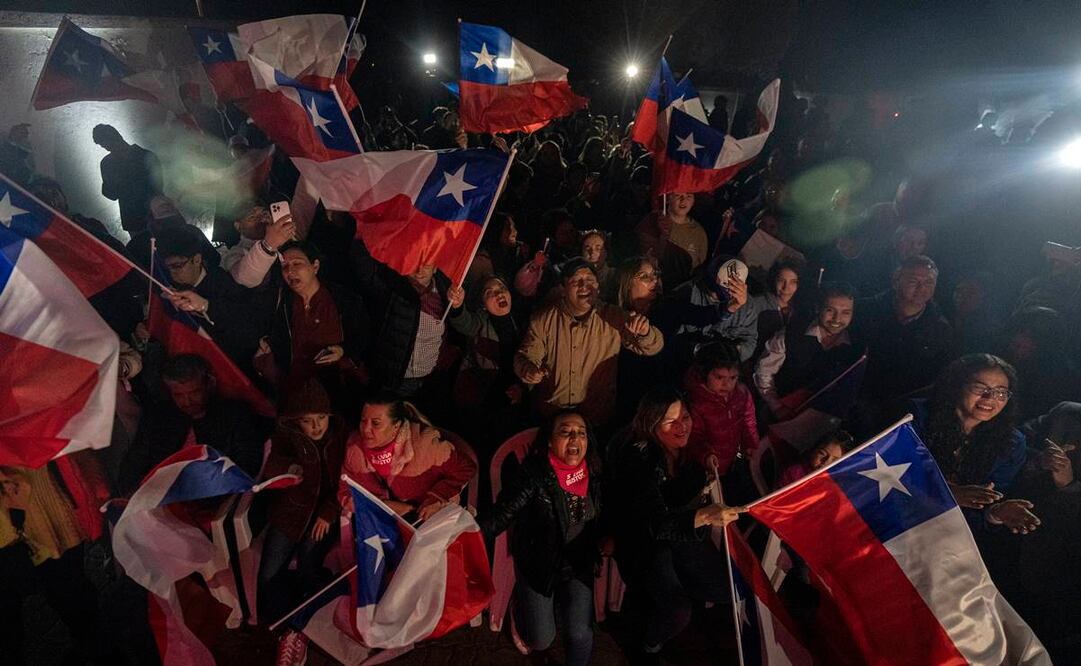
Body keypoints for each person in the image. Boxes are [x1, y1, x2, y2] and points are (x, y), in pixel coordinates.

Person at [606, 387, 744, 657]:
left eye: (685, 417)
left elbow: (678, 496)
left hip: (677, 532)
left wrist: (704, 475)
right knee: (677, 610)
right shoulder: (639, 459)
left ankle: (681, 588)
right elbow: (655, 524)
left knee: (728, 587)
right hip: (643, 541)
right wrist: (705, 515)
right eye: (671, 421)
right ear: (651, 423)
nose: (681, 426)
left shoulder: (682, 448)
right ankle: (647, 646)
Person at [479, 410, 603, 666]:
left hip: (578, 564)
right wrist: (463, 534)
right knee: (540, 640)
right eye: (565, 432)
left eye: (581, 433)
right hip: (540, 564)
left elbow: (611, 508)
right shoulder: (534, 475)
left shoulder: (595, 470)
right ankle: (519, 605)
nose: (574, 439)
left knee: (580, 634)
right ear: (549, 440)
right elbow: (502, 513)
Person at [514, 257, 664, 428]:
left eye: (590, 280)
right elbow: (524, 356)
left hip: (596, 418)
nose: (584, 286)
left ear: (598, 287)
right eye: (576, 281)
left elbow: (653, 346)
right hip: (553, 418)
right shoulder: (542, 320)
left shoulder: (612, 316)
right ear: (563, 289)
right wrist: (529, 370)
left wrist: (645, 332)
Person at [258, 380, 346, 647]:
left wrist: (329, 512)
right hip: (291, 513)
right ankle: (283, 626)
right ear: (297, 421)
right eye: (309, 421)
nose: (317, 426)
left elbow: (346, 480)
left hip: (324, 514)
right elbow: (272, 466)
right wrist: (290, 467)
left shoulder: (339, 439)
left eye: (321, 418)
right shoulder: (288, 438)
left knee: (310, 559)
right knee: (269, 573)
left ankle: (310, 620)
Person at [910, 354, 1038, 535]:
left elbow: (982, 510)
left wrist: (995, 513)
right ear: (956, 386)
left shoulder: (1012, 443)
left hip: (946, 537)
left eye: (1001, 392)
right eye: (980, 388)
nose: (990, 397)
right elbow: (883, 478)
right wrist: (945, 494)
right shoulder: (914, 417)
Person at [119, 354, 271, 492]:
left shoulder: (234, 414)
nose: (187, 402)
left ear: (209, 385)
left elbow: (247, 462)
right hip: (162, 497)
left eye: (194, 393)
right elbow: (135, 461)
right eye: (179, 395)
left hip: (216, 494)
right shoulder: (160, 417)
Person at [258, 241, 370, 412]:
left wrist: (343, 351)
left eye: (297, 263)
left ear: (315, 266)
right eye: (284, 266)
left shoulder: (344, 300)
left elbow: (364, 336)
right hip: (297, 393)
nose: (290, 271)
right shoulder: (280, 303)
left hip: (338, 390)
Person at [156, 227, 275, 375]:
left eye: (177, 266)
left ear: (197, 259)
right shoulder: (169, 292)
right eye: (168, 268)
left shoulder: (223, 283)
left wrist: (207, 306)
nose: (172, 273)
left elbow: (247, 332)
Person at [339, 395, 476, 521]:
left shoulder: (425, 445)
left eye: (376, 423)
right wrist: (384, 506)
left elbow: (466, 467)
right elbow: (345, 491)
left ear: (396, 426)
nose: (366, 429)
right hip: (383, 524)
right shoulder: (355, 449)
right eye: (363, 421)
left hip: (430, 519)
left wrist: (437, 497)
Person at [348, 235, 452, 397]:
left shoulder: (446, 292)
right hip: (393, 380)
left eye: (427, 263)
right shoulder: (391, 288)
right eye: (415, 262)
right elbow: (364, 270)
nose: (420, 270)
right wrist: (365, 233)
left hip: (429, 380)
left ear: (436, 267)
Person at [755, 282, 864, 420]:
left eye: (845, 312)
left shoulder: (855, 347)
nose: (837, 319)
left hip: (825, 421)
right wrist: (777, 407)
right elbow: (763, 371)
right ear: (819, 308)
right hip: (783, 416)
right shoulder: (791, 334)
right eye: (830, 310)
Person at [855, 255, 952, 404]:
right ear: (896, 281)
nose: (922, 288)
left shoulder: (940, 328)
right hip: (856, 397)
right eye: (914, 281)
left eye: (929, 282)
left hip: (902, 406)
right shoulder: (864, 311)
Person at [448, 276, 526, 439]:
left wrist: (522, 387)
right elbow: (465, 323)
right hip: (482, 394)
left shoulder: (522, 320)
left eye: (501, 289)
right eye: (490, 292)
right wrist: (457, 306)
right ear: (482, 304)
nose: (499, 294)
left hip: (514, 394)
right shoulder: (481, 321)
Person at [685, 342, 758, 480]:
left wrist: (750, 442)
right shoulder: (696, 403)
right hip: (709, 467)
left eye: (733, 378)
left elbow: (748, 420)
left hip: (732, 458)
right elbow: (694, 437)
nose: (727, 384)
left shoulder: (741, 393)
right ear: (704, 373)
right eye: (719, 377)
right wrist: (706, 456)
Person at [92, 124, 163, 234]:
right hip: (141, 219)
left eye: (106, 144)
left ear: (116, 137)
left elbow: (157, 187)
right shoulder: (145, 155)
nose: (107, 148)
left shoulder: (108, 163)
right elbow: (110, 193)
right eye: (103, 145)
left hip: (149, 217)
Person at [219, 204, 297, 288]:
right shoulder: (235, 253)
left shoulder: (288, 238)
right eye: (252, 217)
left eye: (264, 214)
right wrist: (269, 245)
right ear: (238, 226)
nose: (261, 219)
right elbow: (244, 277)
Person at [748, 258, 804, 364]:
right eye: (781, 280)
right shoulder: (757, 304)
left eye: (793, 282)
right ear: (773, 280)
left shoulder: (801, 311)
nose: (785, 288)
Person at [776, 429, 854, 488]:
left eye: (835, 460)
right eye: (822, 453)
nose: (826, 462)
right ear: (814, 450)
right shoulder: (794, 474)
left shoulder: (841, 484)